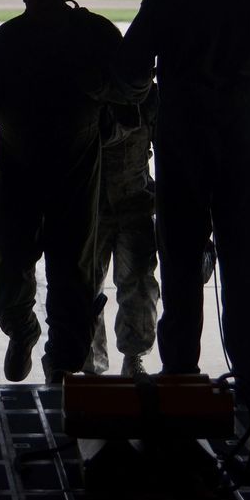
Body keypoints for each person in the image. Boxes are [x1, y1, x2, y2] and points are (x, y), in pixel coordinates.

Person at [117, 0, 250, 393]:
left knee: (182, 258)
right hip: (243, 134)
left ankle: (180, 373)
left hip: (184, 136)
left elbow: (130, 66)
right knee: (244, 255)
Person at [0, 0, 122, 383]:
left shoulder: (98, 37)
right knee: (11, 278)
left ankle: (61, 370)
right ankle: (22, 330)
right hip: (17, 181)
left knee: (73, 284)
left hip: (78, 181)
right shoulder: (2, 45)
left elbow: (134, 95)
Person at [83, 92, 160, 378]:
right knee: (87, 285)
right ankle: (91, 364)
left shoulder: (149, 97)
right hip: (93, 206)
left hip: (134, 201)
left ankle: (133, 356)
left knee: (139, 282)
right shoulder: (90, 87)